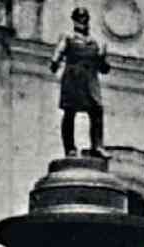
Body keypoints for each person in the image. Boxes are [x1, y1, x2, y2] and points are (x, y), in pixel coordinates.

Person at [50, 7, 111, 158]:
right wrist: (55, 61)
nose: (82, 21)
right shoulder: (68, 37)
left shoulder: (95, 43)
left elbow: (103, 68)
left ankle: (97, 145)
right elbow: (58, 54)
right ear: (74, 20)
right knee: (70, 112)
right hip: (73, 78)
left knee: (97, 110)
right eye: (78, 18)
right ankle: (70, 148)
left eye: (84, 18)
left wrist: (102, 58)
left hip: (90, 80)